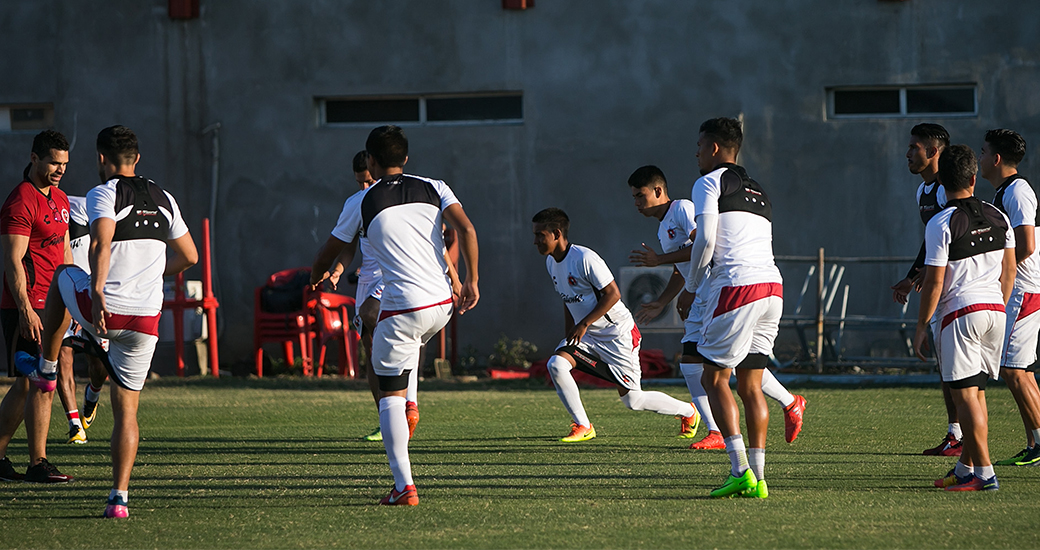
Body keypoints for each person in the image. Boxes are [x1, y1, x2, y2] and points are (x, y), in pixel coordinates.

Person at [17, 125, 198, 517]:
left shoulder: (104, 192)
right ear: (137, 159)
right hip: (146, 321)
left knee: (63, 275)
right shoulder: (165, 198)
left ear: (102, 159)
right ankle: (119, 499)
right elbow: (189, 256)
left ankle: (47, 368)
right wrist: (149, 274)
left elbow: (99, 241)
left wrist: (98, 290)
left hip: (106, 308)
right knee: (127, 412)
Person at [310, 125, 479, 506]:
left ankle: (404, 486)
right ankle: (411, 400)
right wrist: (471, 281)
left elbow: (330, 249)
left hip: (404, 307)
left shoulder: (362, 200)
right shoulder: (435, 186)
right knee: (403, 345)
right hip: (442, 305)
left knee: (386, 391)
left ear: (370, 161)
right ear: (405, 158)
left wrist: (316, 274)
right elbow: (466, 228)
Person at [627, 165, 806, 450]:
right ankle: (721, 428)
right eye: (634, 197)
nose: (636, 203)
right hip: (699, 296)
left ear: (658, 191)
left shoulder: (683, 208)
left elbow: (703, 242)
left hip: (716, 293)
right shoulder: (664, 227)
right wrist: (663, 300)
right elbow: (681, 268)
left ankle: (773, 410)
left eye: (640, 196)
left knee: (729, 366)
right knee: (693, 363)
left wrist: (660, 262)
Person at [323, 150, 461, 442]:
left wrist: (455, 277)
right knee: (373, 351)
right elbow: (347, 244)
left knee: (384, 325)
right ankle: (388, 416)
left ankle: (409, 403)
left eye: (369, 180)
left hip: (394, 277)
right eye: (360, 182)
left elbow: (437, 244)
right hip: (367, 279)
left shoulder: (403, 200)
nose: (365, 187)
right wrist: (335, 271)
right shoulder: (357, 203)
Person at [532, 207, 698, 443]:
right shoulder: (551, 262)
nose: (535, 241)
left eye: (540, 235)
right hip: (589, 335)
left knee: (634, 401)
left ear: (557, 233)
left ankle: (689, 412)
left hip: (617, 334)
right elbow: (567, 299)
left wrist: (584, 323)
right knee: (557, 364)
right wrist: (571, 333)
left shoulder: (584, 258)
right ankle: (583, 425)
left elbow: (613, 294)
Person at [686, 117, 783, 499]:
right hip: (772, 286)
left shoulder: (708, 182)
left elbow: (707, 237)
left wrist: (692, 287)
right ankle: (759, 479)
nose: (695, 153)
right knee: (751, 384)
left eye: (698, 146)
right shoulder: (758, 189)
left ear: (713, 148)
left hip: (737, 286)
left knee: (713, 379)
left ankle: (740, 470)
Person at [915, 144, 1014, 492]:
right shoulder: (999, 216)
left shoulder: (941, 222)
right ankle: (965, 468)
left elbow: (934, 281)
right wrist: (996, 306)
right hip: (994, 312)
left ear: (942, 183)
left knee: (965, 398)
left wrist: (921, 325)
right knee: (978, 395)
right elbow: (1010, 272)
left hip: (961, 315)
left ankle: (984, 475)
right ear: (974, 177)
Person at [0, 130, 73, 483]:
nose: (60, 170)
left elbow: (65, 253)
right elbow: (13, 261)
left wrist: (74, 299)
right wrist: (26, 307)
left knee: (35, 382)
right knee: (33, 382)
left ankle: (11, 458)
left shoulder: (61, 199)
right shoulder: (19, 201)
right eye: (53, 163)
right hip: (26, 307)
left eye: (64, 164)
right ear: (34, 159)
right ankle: (37, 462)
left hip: (56, 305)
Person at [890, 124, 964, 456]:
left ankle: (965, 439)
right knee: (947, 365)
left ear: (934, 152)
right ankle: (956, 434)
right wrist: (913, 275)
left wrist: (923, 275)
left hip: (959, 289)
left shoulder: (949, 190)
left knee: (962, 370)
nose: (908, 153)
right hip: (941, 285)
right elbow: (930, 241)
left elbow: (955, 237)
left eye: (914, 148)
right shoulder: (923, 192)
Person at [977, 129, 1040, 467]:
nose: (981, 157)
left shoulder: (1017, 192)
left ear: (997, 159)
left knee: (1014, 370)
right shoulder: (1005, 192)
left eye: (984, 151)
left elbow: (1027, 245)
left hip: (1024, 290)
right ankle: (1034, 442)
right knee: (1021, 371)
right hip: (1019, 289)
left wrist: (995, 272)